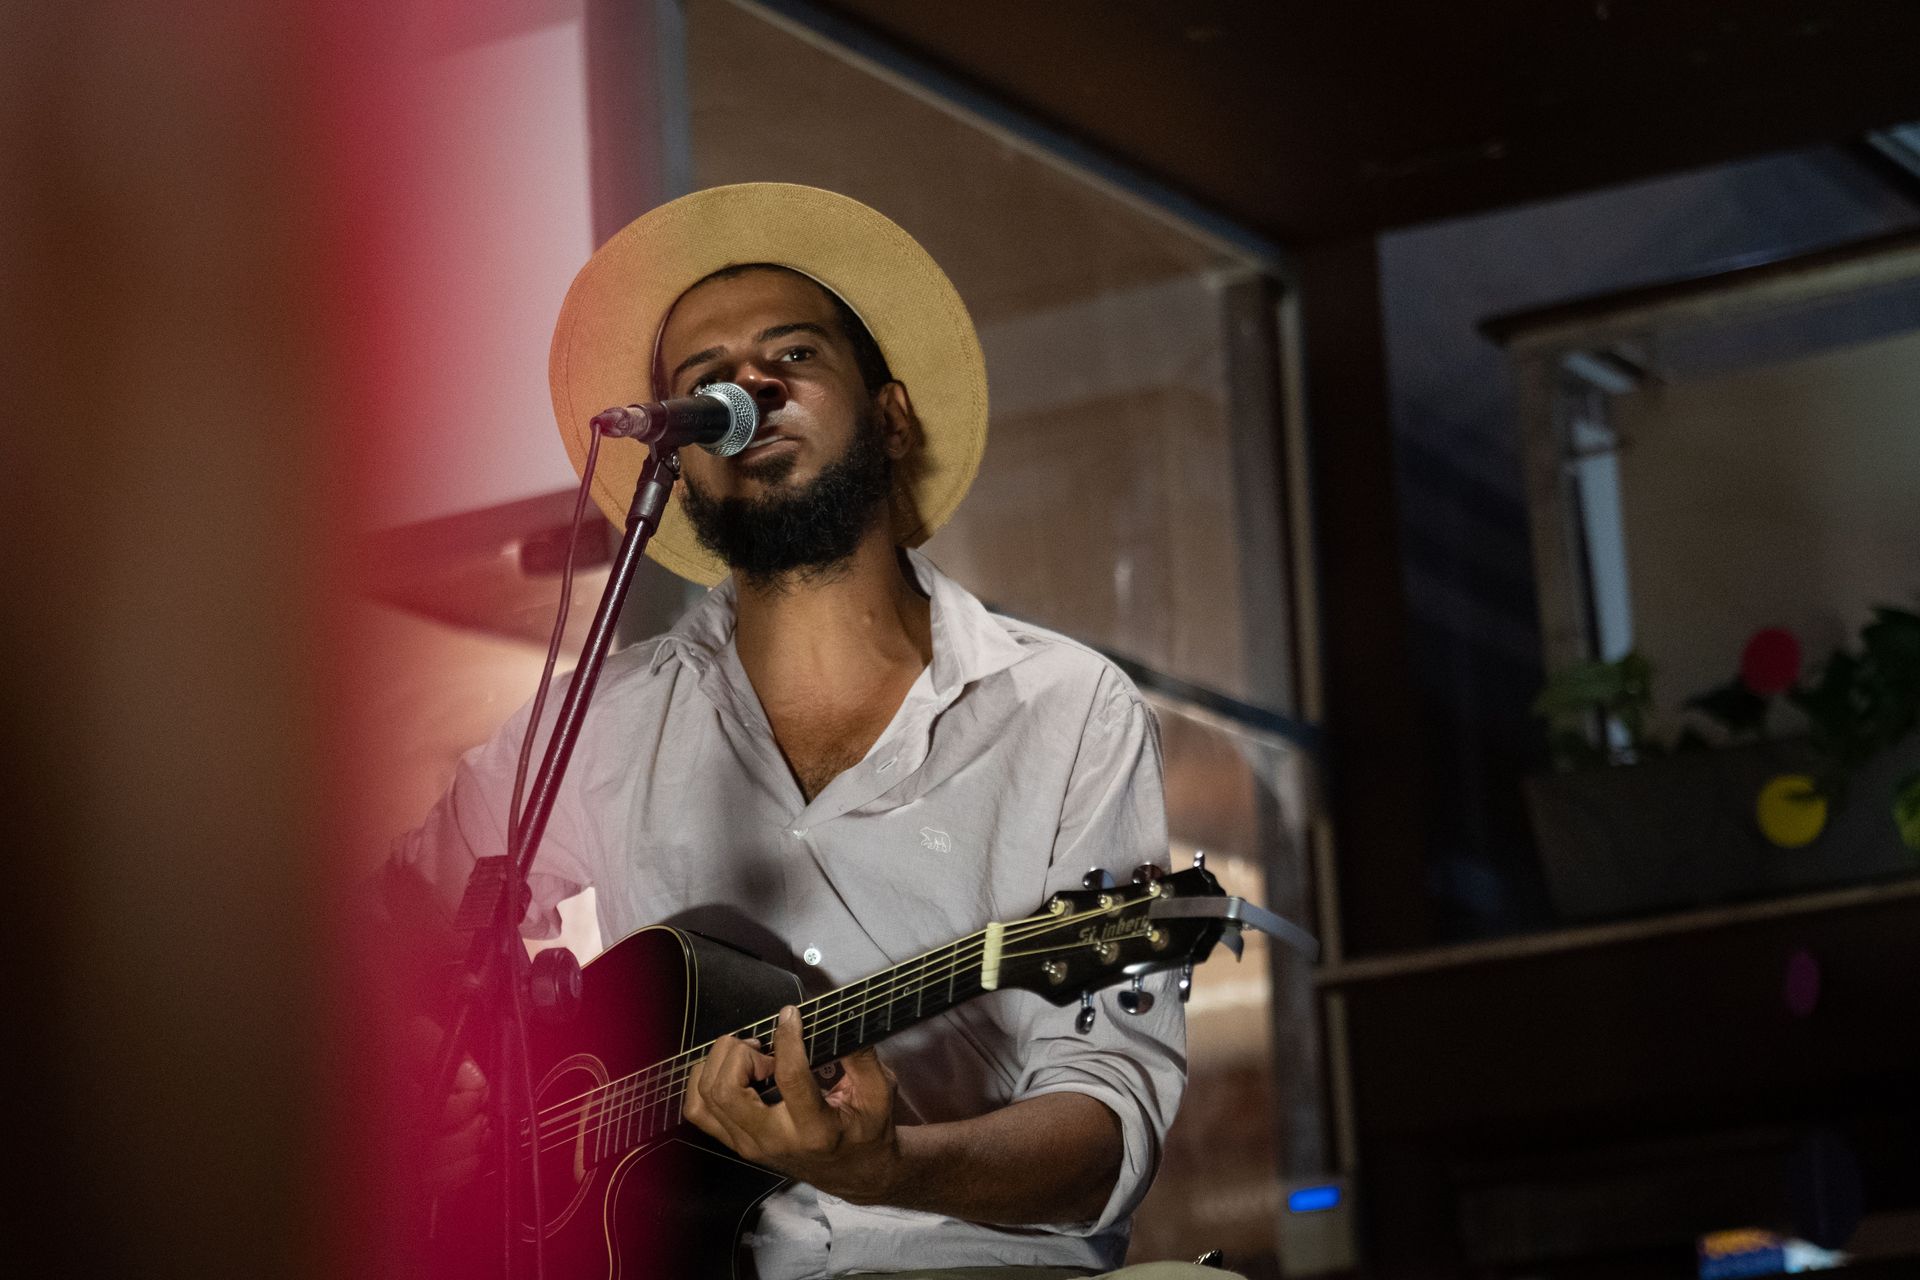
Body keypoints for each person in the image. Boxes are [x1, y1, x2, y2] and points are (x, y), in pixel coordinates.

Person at [389, 183, 1238, 1279]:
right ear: (677, 462)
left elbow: (1104, 1126)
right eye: (706, 379)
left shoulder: (1069, 709)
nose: (747, 387)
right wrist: (427, 1082)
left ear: (892, 417)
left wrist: (889, 1166)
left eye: (792, 355)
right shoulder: (594, 721)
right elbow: (388, 934)